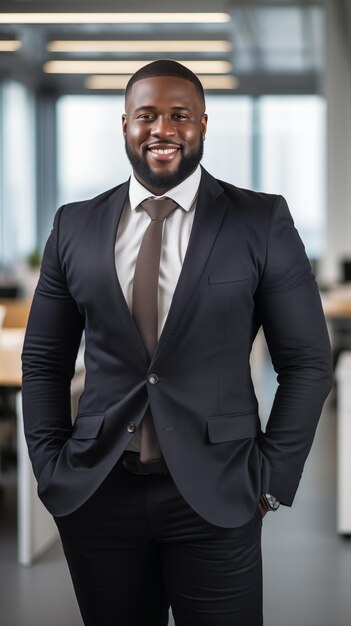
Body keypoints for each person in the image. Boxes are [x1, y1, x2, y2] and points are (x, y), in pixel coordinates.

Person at [22, 60, 333, 626]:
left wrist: (270, 483)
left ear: (203, 125)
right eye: (146, 115)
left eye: (179, 115)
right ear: (124, 126)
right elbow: (44, 362)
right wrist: (49, 466)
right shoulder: (75, 225)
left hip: (218, 492)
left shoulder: (259, 220)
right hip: (98, 491)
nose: (161, 128)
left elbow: (308, 362)